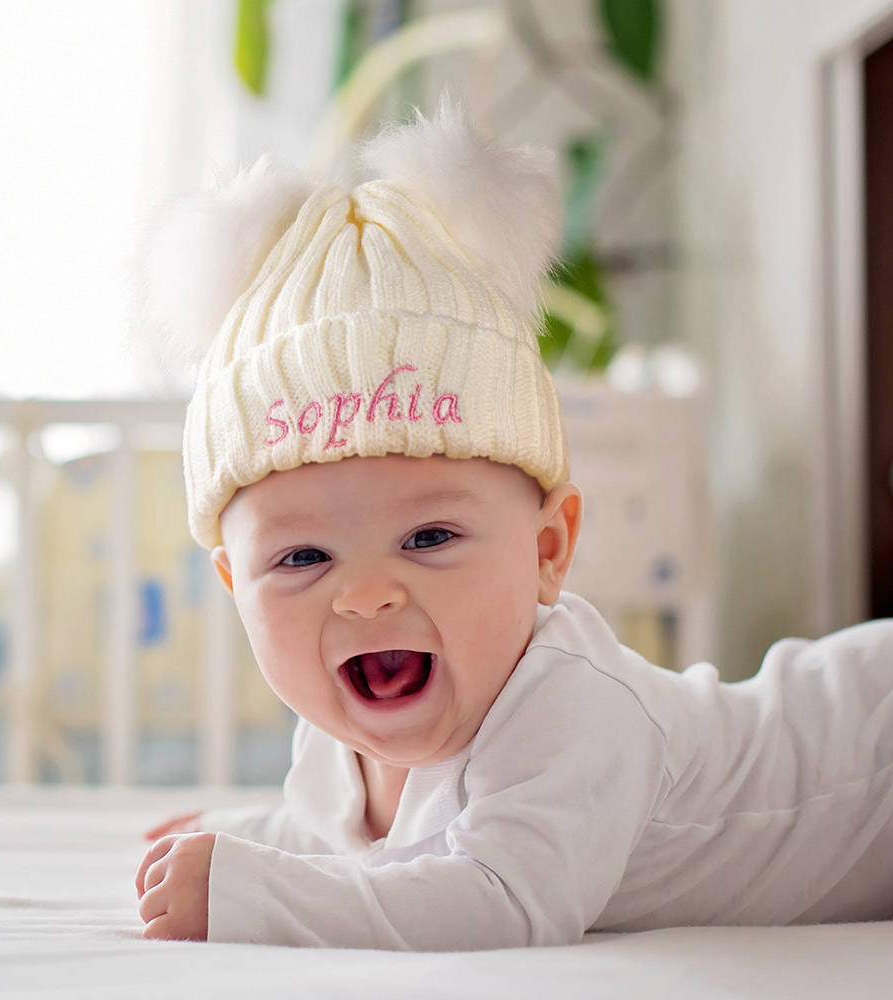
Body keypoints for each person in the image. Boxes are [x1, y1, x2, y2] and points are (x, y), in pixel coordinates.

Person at [134, 103, 893, 949]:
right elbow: (359, 843)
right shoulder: (337, 734)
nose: (369, 595)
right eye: (303, 556)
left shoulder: (568, 703)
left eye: (429, 539)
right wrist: (238, 836)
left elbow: (498, 898)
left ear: (547, 550)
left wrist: (252, 895)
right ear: (236, 586)